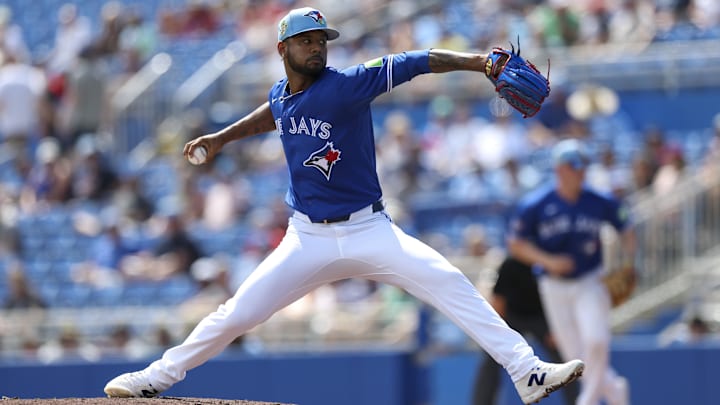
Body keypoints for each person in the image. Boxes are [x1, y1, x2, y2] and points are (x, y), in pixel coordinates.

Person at [104, 7, 584, 404]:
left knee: (449, 281)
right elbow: (272, 113)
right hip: (307, 238)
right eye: (307, 40)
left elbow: (416, 60)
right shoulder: (282, 95)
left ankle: (527, 371)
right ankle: (156, 378)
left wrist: (480, 61)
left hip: (368, 231)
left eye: (321, 39)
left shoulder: (347, 83)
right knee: (236, 313)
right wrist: (222, 138)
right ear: (283, 50)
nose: (317, 47)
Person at [507, 139, 636, 405]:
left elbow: (627, 228)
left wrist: (626, 263)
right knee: (573, 355)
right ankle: (614, 391)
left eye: (582, 167)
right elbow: (516, 244)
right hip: (553, 285)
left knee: (596, 341)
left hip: (590, 278)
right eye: (574, 167)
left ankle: (587, 401)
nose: (580, 172)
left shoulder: (599, 200)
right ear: (559, 169)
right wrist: (548, 260)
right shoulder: (537, 204)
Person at [472, 257, 579, 405]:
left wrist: (558, 329)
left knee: (565, 360)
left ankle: (577, 402)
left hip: (543, 318)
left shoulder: (550, 262)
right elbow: (498, 302)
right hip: (512, 317)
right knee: (492, 358)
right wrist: (495, 336)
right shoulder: (511, 264)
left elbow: (562, 300)